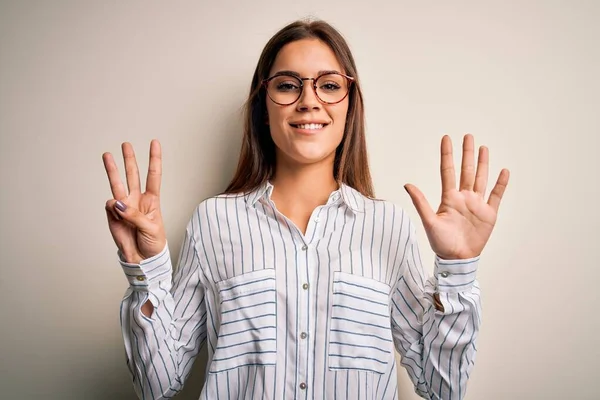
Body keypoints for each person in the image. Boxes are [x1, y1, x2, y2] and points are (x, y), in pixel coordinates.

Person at [102, 19, 509, 400]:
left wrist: (457, 267)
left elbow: (442, 388)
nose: (309, 101)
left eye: (329, 85)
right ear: (264, 104)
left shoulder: (388, 227)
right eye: (287, 85)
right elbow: (157, 386)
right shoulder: (213, 223)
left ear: (351, 105)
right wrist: (146, 267)